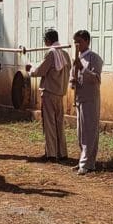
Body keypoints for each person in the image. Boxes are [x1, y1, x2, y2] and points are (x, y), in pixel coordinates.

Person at [26, 30, 70, 161]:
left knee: (49, 123)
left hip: (49, 92)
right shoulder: (65, 53)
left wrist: (30, 70)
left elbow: (40, 70)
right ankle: (62, 152)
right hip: (60, 93)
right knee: (59, 123)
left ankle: (51, 153)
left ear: (47, 40)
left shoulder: (51, 53)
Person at [71, 29, 103, 175]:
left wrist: (82, 68)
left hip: (90, 99)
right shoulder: (77, 58)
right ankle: (82, 160)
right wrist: (73, 80)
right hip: (80, 98)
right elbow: (74, 76)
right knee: (81, 132)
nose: (77, 45)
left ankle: (88, 163)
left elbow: (96, 79)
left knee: (90, 131)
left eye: (79, 42)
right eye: (75, 42)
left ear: (87, 41)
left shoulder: (93, 58)